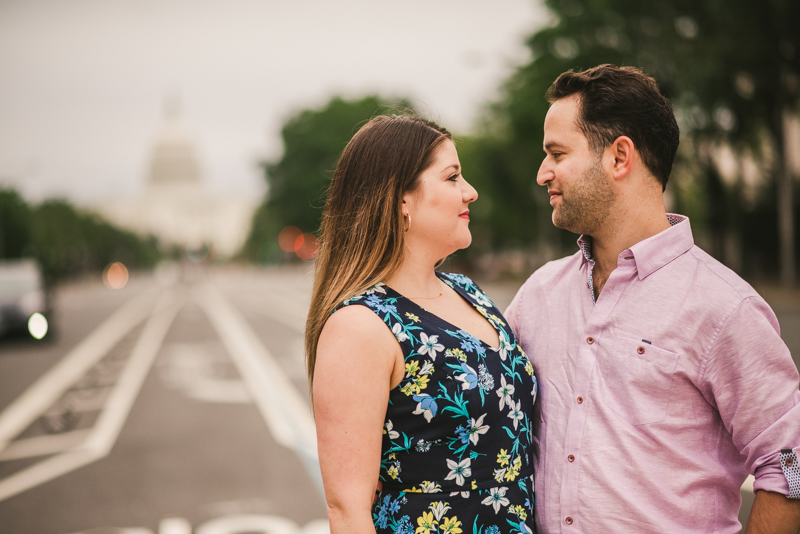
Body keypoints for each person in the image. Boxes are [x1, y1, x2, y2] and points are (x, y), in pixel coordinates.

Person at [505, 64, 800, 533]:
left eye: (557, 153)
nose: (543, 173)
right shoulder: (538, 294)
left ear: (619, 156)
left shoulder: (723, 308)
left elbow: (791, 463)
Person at [308, 115, 538, 534]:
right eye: (452, 178)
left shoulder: (471, 292)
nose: (471, 191)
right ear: (402, 201)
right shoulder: (361, 326)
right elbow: (348, 511)